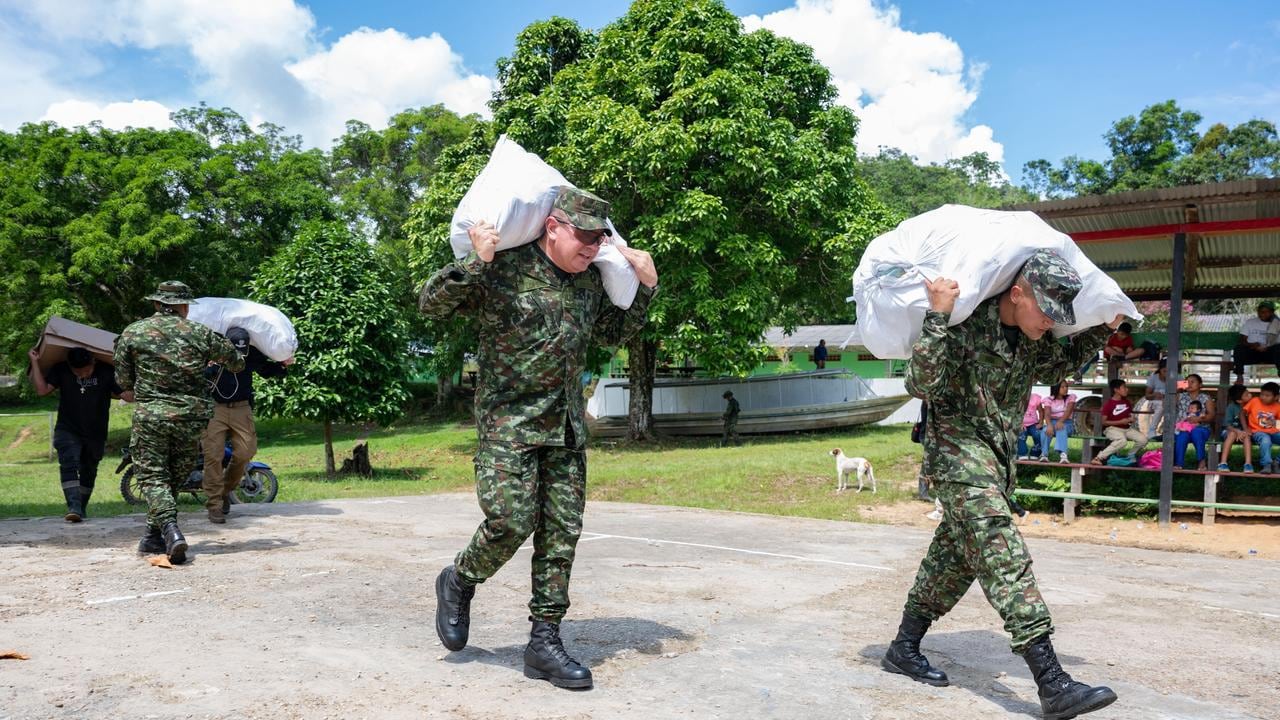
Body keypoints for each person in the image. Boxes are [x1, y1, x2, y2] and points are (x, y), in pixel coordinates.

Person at [419, 187, 656, 690]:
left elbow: (610, 333)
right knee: (510, 520)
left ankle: (544, 642)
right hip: (508, 422)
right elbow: (431, 305)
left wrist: (647, 290)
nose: (592, 247)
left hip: (565, 426)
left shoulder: (589, 282)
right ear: (553, 227)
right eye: (584, 236)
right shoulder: (505, 267)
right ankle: (459, 579)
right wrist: (476, 261)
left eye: (600, 239)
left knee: (562, 534)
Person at [881, 249, 1119, 720]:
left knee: (954, 559)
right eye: (1045, 311)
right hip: (957, 460)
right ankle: (1052, 682)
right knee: (1001, 551)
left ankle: (903, 647)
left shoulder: (1030, 340)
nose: (1050, 322)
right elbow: (919, 383)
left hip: (995, 466)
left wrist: (1103, 329)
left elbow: (1058, 365)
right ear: (1016, 294)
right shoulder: (963, 327)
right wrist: (938, 315)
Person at [114, 282, 243, 564]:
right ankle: (152, 536)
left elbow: (123, 381)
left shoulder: (133, 332)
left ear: (157, 304)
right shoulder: (200, 332)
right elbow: (236, 363)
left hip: (152, 418)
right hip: (191, 418)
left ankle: (171, 532)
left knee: (153, 478)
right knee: (172, 477)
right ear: (184, 307)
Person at [28, 346, 132, 521]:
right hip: (67, 428)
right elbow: (42, 390)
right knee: (68, 463)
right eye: (77, 373)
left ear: (93, 362)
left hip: (96, 432)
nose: (82, 376)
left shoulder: (106, 371)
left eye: (86, 371)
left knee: (89, 470)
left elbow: (126, 395)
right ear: (70, 366)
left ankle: (80, 508)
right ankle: (74, 506)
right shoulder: (61, 369)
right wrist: (34, 362)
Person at [201, 326, 290, 524]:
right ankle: (214, 505)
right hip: (215, 408)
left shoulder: (251, 353)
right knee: (213, 456)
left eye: (243, 351)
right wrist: (209, 368)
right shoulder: (213, 352)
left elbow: (266, 370)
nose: (239, 356)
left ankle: (225, 491)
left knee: (246, 451)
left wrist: (283, 365)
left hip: (242, 408)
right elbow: (197, 375)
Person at [1091, 379, 1148, 465]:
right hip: (1111, 429)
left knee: (1143, 440)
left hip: (1127, 429)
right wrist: (1120, 422)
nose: (1127, 389)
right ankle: (1098, 458)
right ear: (1116, 390)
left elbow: (1129, 415)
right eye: (1124, 387)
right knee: (1122, 441)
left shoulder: (1126, 402)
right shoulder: (1108, 404)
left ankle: (1130, 455)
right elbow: (1104, 422)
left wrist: (1131, 419)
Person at [1173, 374, 1215, 470]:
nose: (1189, 384)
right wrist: (1177, 390)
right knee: (1182, 436)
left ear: (1200, 385)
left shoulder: (1206, 398)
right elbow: (1165, 405)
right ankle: (1179, 463)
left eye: (1193, 382)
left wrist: (1199, 419)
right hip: (1183, 428)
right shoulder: (1180, 396)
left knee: (1197, 432)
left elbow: (1212, 415)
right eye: (1187, 382)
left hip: (1201, 428)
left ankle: (1201, 461)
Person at [1232, 300, 1280, 384]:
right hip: (1253, 352)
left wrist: (1267, 347)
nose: (1262, 314)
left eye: (1266, 312)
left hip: (1270, 354)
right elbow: (1242, 340)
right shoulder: (1250, 322)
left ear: (1272, 312)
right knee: (1239, 348)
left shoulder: (1277, 324)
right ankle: (1239, 377)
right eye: (1260, 312)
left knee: (1278, 349)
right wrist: (1253, 345)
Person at [1243, 381, 1280, 474]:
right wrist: (1246, 428)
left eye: (1267, 395)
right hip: (1257, 431)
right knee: (1265, 440)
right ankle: (1267, 464)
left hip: (1274, 432)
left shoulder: (1278, 406)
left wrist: (1275, 422)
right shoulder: (1255, 401)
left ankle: (1277, 462)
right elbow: (1242, 413)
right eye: (1262, 394)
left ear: (1276, 397)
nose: (1263, 397)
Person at [1037, 380, 1077, 464]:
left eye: (1066, 386)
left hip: (1067, 422)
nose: (1065, 389)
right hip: (1052, 422)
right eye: (1062, 387)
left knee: (1061, 428)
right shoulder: (1049, 399)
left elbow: (1068, 412)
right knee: (1045, 430)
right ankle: (1044, 454)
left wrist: (1061, 421)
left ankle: (1063, 455)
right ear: (1056, 388)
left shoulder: (1071, 398)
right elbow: (1047, 414)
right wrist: (1049, 425)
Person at [1217, 384, 1253, 472]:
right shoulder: (1231, 407)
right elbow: (1227, 425)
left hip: (1244, 431)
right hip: (1229, 430)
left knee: (1246, 436)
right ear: (1239, 400)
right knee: (1232, 434)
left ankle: (1248, 464)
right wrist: (1237, 431)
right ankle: (1223, 463)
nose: (1250, 395)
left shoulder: (1252, 404)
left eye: (1248, 392)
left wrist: (1243, 431)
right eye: (1246, 395)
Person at [1138, 358, 1169, 439]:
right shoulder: (1153, 378)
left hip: (1171, 401)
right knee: (1161, 405)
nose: (1166, 374)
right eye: (1164, 371)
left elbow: (1182, 392)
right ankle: (1152, 431)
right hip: (1155, 402)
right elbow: (1147, 396)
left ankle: (1170, 430)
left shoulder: (1178, 377)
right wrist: (1154, 395)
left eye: (1169, 371)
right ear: (1160, 370)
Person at [1015, 392, 1043, 460]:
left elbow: (1041, 411)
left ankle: (1035, 453)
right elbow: (1015, 412)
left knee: (1037, 434)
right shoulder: (1018, 397)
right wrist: (1019, 423)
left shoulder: (1036, 397)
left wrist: (1041, 423)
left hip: (1034, 423)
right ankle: (1022, 453)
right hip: (1021, 424)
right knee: (1021, 435)